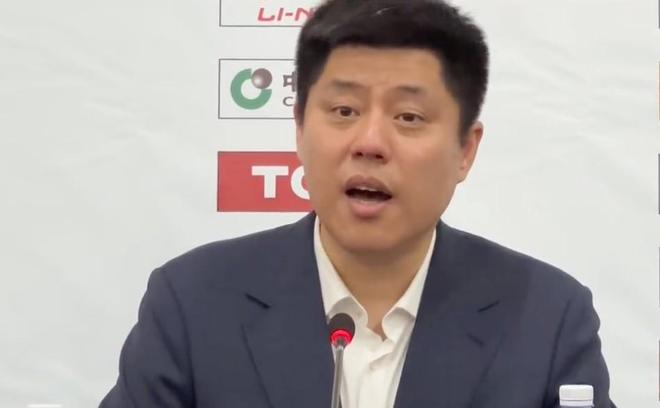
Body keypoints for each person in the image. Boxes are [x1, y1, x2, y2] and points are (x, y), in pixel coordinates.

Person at [100, 0, 615, 407]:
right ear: (300, 128)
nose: (369, 142)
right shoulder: (193, 302)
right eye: (344, 110)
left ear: (465, 150)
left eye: (408, 117)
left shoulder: (546, 317)